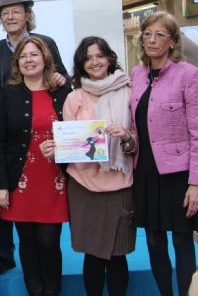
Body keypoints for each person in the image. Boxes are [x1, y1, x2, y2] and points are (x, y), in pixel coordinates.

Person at [0, 0, 69, 274]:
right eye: (5, 13)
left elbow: (63, 78)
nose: (10, 17)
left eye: (16, 11)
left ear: (27, 15)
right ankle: (4, 254)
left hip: (44, 139)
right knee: (7, 207)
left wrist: (60, 78)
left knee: (46, 239)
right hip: (7, 132)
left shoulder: (46, 43)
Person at [131, 11, 198, 296]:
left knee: (182, 242)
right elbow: (137, 125)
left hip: (179, 174)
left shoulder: (189, 75)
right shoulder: (137, 74)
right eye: (147, 34)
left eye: (159, 35)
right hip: (145, 171)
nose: (152, 40)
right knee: (154, 243)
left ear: (172, 41)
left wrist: (197, 183)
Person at [49, 36, 137, 296]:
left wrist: (127, 137)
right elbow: (67, 146)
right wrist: (59, 149)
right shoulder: (74, 98)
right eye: (88, 57)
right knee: (93, 256)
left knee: (118, 255)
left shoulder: (129, 92)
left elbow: (138, 140)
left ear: (109, 58)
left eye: (99, 55)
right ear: (81, 64)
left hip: (120, 185)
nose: (95, 62)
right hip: (85, 186)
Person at [0, 36, 71, 296]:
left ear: (45, 59)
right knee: (26, 241)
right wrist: (1, 185)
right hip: (19, 181)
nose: (28, 60)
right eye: (23, 56)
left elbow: (76, 134)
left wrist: (62, 148)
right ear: (17, 63)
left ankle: (52, 291)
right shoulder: (5, 96)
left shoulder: (63, 93)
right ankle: (35, 291)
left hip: (54, 179)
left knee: (49, 242)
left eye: (34, 55)